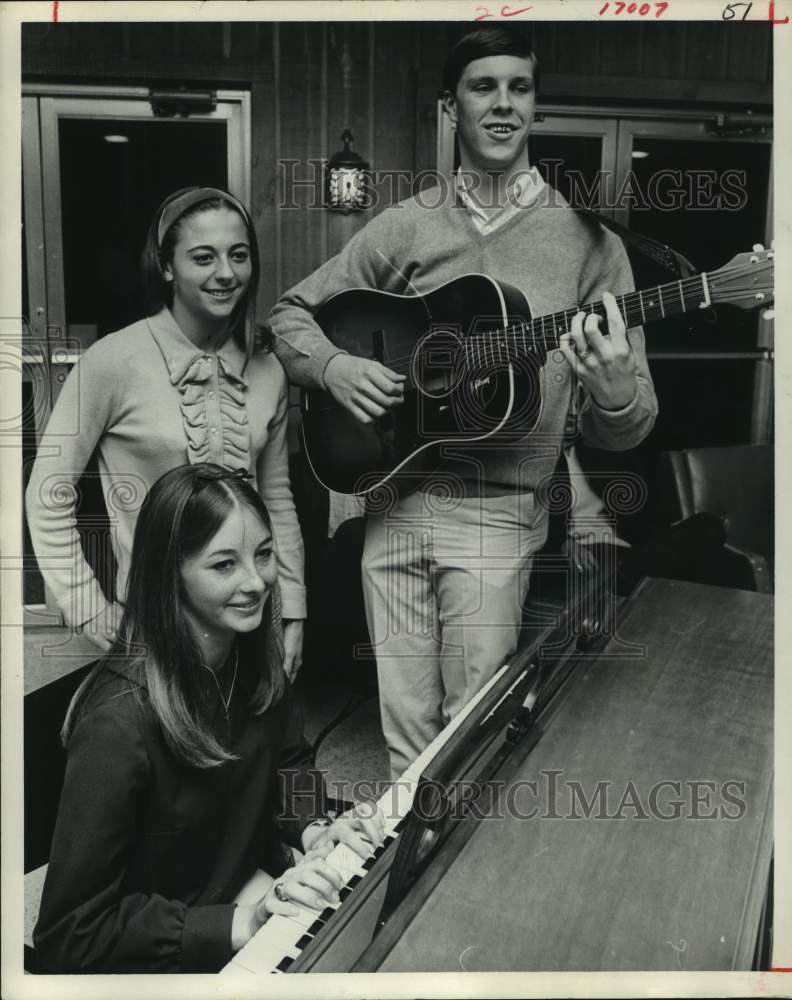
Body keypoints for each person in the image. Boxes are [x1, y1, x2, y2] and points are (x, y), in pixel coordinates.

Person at [266, 26, 658, 778]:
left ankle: (453, 887)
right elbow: (290, 314)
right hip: (392, 494)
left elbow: (632, 422)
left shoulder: (587, 240)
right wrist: (335, 369)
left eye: (519, 87)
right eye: (484, 87)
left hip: (499, 512)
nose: (503, 103)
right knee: (403, 730)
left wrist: (611, 395)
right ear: (451, 106)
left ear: (535, 105)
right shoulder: (404, 223)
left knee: (469, 730)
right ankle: (396, 886)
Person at [32, 464, 383, 974]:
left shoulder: (252, 659)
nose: (256, 582)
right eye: (224, 565)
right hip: (164, 948)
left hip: (234, 886)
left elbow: (289, 759)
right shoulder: (116, 724)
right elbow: (68, 935)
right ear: (169, 572)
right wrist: (240, 922)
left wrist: (312, 828)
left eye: (263, 555)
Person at [26, 187, 305, 678]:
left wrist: (294, 608)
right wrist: (86, 605)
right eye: (204, 257)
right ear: (167, 268)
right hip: (155, 627)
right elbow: (48, 493)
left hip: (253, 615)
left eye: (238, 255)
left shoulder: (269, 368)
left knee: (255, 747)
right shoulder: (112, 362)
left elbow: (276, 497)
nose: (226, 273)